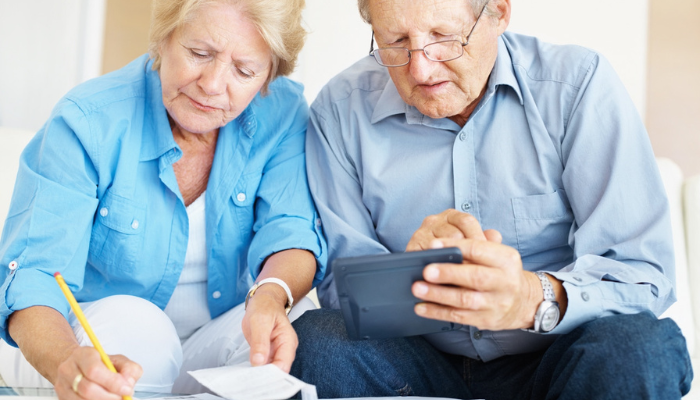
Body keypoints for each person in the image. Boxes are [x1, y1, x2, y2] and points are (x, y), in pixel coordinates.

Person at [290, 0, 693, 398]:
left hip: (557, 353)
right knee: (319, 340)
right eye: (395, 41)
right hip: (416, 359)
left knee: (641, 347)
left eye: (443, 37)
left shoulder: (576, 86)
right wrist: (406, 279)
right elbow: (344, 292)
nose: (420, 68)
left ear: (498, 13)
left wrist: (530, 298)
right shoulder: (340, 109)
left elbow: (641, 273)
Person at [0, 0, 326, 398]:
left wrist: (270, 296)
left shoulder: (284, 112)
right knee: (141, 329)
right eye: (199, 53)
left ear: (268, 76)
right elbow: (33, 278)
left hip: (205, 340)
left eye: (244, 71)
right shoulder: (86, 120)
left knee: (298, 325)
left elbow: (290, 231)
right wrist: (67, 360)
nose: (212, 84)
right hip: (79, 340)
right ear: (164, 38)